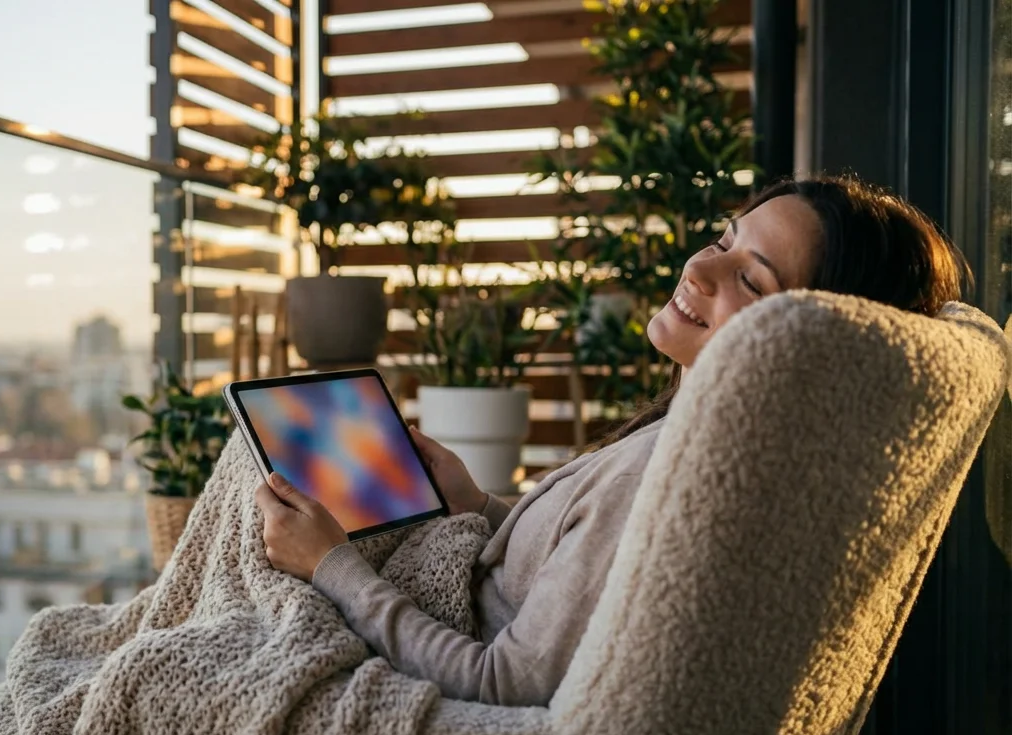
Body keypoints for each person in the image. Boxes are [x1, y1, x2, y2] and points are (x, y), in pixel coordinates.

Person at [254, 175, 974, 707]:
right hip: (441, 576)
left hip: (421, 637)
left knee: (252, 477)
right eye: (724, 241)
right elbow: (580, 566)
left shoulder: (661, 478)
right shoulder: (694, 445)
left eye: (751, 281)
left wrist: (331, 566)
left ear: (810, 351)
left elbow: (502, 684)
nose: (699, 269)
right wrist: (478, 504)